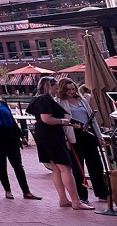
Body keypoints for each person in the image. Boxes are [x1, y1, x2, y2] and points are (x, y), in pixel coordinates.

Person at [26, 76, 92, 211]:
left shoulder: (39, 99)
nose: (57, 90)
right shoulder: (45, 99)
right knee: (66, 168)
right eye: (55, 87)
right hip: (51, 135)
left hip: (44, 135)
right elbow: (46, 118)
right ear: (49, 86)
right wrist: (64, 122)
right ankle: (76, 201)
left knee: (56, 168)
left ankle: (63, 199)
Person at [0, 82, 40, 201]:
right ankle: (7, 190)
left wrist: (22, 136)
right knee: (1, 164)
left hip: (10, 137)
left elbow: (12, 121)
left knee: (18, 165)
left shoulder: (3, 104)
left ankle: (26, 191)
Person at [58, 77, 109, 205]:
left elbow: (92, 119)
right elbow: (61, 122)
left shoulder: (82, 100)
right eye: (68, 89)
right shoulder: (60, 101)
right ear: (63, 90)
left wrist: (99, 136)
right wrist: (65, 139)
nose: (71, 91)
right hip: (74, 135)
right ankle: (82, 195)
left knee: (96, 165)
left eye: (73, 89)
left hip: (88, 133)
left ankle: (102, 193)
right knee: (78, 167)